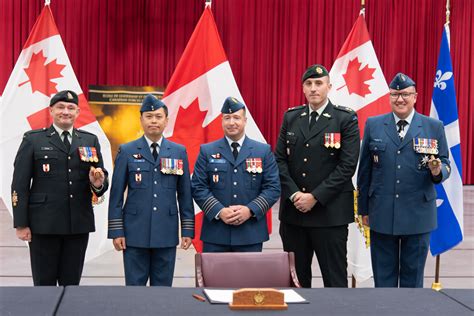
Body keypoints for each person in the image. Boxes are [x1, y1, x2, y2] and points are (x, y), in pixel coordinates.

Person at [357, 73, 451, 288]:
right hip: (381, 213)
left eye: (405, 94)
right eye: (395, 94)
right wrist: (364, 210)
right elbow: (365, 172)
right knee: (383, 280)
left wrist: (437, 171)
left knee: (413, 281)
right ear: (389, 97)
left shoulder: (433, 126)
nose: (400, 99)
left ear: (415, 97)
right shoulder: (374, 124)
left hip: (418, 214)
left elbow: (445, 163)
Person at [11, 90, 108, 286]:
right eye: (61, 107)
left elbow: (100, 178)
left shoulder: (89, 141)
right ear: (51, 111)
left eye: (71, 108)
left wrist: (98, 184)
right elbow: (19, 185)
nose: (66, 111)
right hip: (43, 225)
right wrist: (21, 223)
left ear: (78, 112)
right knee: (44, 284)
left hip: (77, 224)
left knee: (71, 284)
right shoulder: (33, 140)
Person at [275, 65, 360, 288]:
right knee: (295, 281)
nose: (314, 88)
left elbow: (347, 166)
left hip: (330, 214)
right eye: (309, 84)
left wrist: (315, 197)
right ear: (303, 88)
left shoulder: (345, 118)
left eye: (319, 83)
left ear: (329, 87)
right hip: (294, 215)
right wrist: (294, 195)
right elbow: (279, 161)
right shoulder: (291, 117)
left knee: (335, 281)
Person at [108, 94, 194, 286]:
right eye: (149, 116)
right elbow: (116, 196)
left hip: (166, 231)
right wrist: (116, 231)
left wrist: (187, 230)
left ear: (166, 121)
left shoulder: (179, 151)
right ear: (141, 120)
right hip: (134, 233)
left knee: (163, 290)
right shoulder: (127, 150)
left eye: (158, 116)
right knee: (134, 289)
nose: (153, 120)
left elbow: (185, 194)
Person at [191, 97, 280, 252]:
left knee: (248, 277)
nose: (232, 122)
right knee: (216, 277)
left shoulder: (263, 151)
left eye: (236, 118)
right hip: (216, 233)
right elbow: (198, 187)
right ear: (221, 121)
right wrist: (220, 211)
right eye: (227, 118)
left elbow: (273, 188)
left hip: (250, 233)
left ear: (245, 121)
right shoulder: (207, 151)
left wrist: (250, 210)